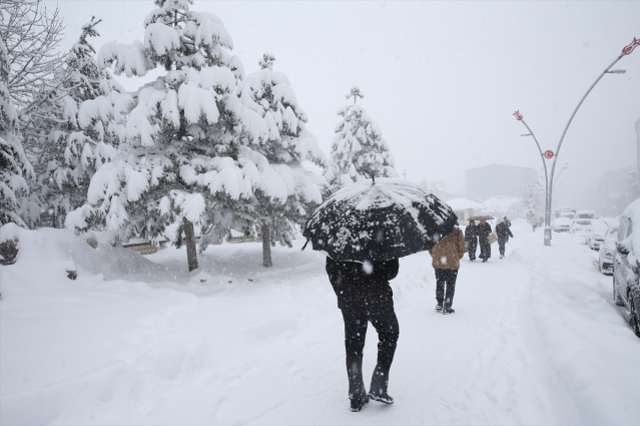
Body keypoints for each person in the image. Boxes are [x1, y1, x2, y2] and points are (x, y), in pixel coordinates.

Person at [325, 256, 400, 412]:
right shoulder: (383, 233)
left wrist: (342, 290)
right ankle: (379, 383)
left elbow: (331, 268)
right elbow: (392, 271)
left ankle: (356, 394)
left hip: (350, 299)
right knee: (390, 334)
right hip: (377, 297)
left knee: (354, 344)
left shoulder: (340, 235)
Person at [429, 222, 466, 314]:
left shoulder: (435, 231)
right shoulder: (457, 231)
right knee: (451, 284)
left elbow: (429, 246)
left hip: (438, 262)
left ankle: (439, 303)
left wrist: (435, 255)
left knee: (440, 282)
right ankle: (447, 305)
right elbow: (462, 247)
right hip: (452, 262)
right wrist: (457, 256)